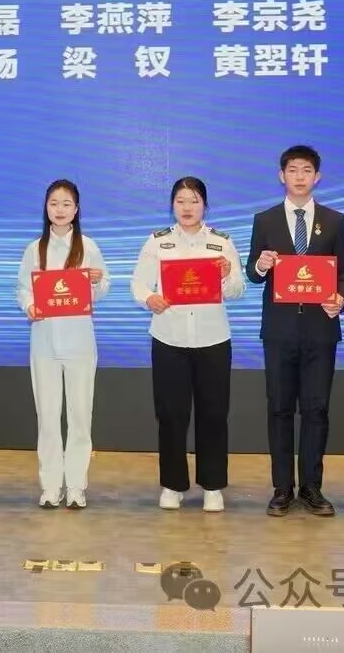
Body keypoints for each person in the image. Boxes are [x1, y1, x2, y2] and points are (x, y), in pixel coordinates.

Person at [246, 146, 344, 518]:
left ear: (317, 177)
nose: (300, 176)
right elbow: (252, 273)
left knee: (316, 410)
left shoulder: (334, 220)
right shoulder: (265, 220)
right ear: (282, 176)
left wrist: (341, 296)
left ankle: (311, 487)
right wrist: (261, 265)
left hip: (321, 329)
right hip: (279, 330)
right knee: (279, 409)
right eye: (293, 170)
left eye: (307, 170)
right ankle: (282, 488)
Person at [132, 177, 246, 512]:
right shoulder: (157, 242)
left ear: (205, 206)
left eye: (194, 201)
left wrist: (227, 274)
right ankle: (172, 485)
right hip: (169, 338)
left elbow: (238, 290)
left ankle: (212, 486)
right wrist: (149, 298)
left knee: (214, 413)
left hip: (213, 339)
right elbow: (138, 283)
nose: (187, 207)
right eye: (180, 200)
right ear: (172, 205)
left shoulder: (222, 242)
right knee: (171, 414)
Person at [15, 179, 110, 509]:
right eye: (54, 203)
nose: (60, 209)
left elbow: (102, 289)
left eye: (66, 204)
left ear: (76, 209)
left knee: (80, 416)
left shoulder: (88, 247)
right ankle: (51, 485)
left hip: (80, 342)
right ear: (46, 208)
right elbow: (23, 288)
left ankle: (76, 486)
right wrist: (30, 306)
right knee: (48, 417)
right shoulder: (34, 249)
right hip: (44, 342)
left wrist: (96, 281)